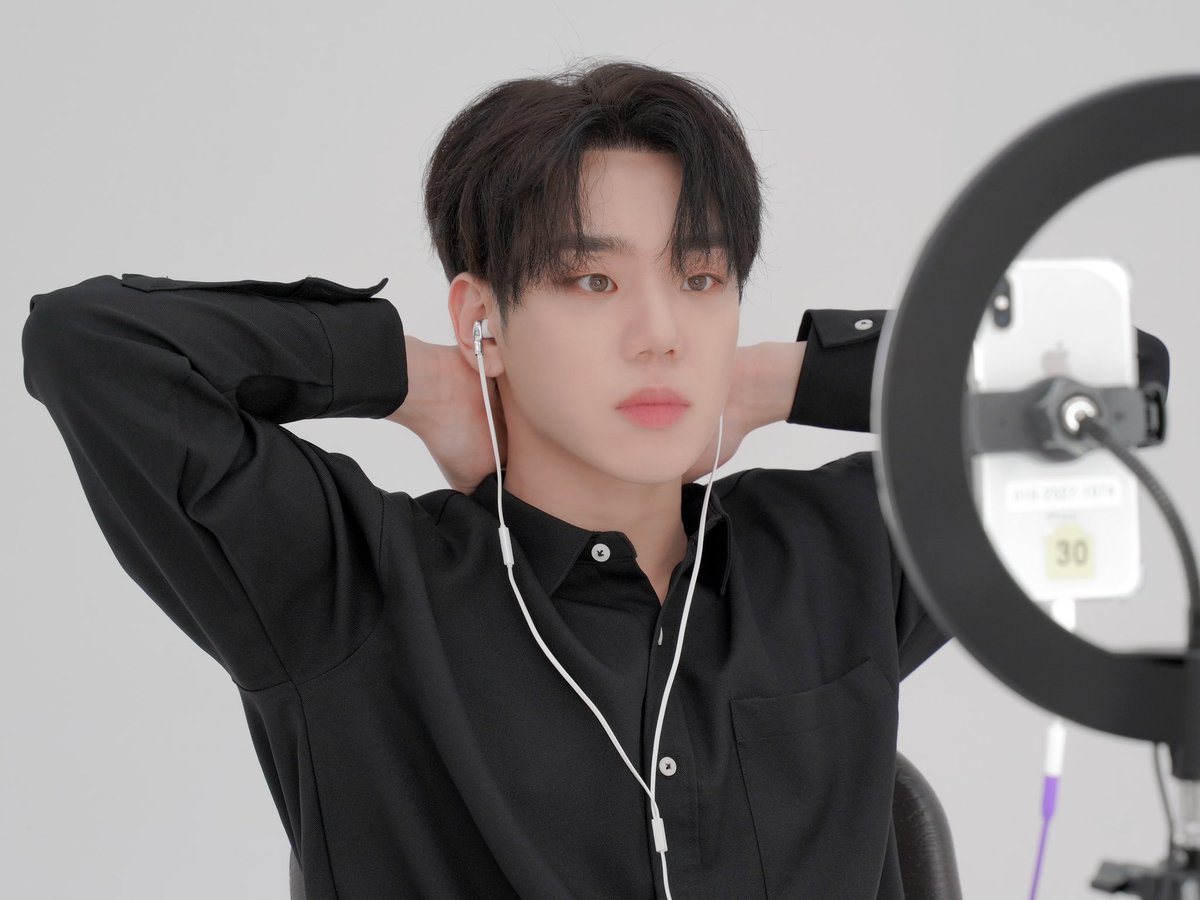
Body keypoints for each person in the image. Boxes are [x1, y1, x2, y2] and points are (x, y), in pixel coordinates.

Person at [21, 60, 1170, 899]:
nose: (661, 333)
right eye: (592, 282)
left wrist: (775, 379)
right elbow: (95, 346)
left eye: (701, 278)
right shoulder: (351, 593)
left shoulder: (840, 553)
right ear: (485, 315)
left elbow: (1115, 381)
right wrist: (419, 381)